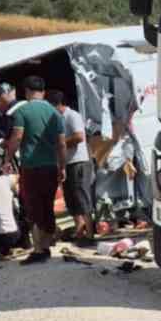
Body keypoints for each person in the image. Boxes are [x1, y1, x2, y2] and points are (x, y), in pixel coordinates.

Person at [5, 75, 65, 263]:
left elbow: (17, 137)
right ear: (43, 92)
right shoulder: (55, 114)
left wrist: (8, 157)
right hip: (51, 167)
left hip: (31, 167)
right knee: (47, 207)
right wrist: (62, 166)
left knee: (33, 208)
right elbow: (62, 144)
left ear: (27, 92)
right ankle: (45, 247)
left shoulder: (23, 111)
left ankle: (38, 249)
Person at [48, 88, 94, 241]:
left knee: (82, 197)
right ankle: (79, 230)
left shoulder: (72, 115)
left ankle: (90, 233)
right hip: (66, 163)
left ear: (55, 104)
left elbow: (79, 137)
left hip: (78, 162)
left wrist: (60, 143)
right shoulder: (57, 119)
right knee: (71, 199)